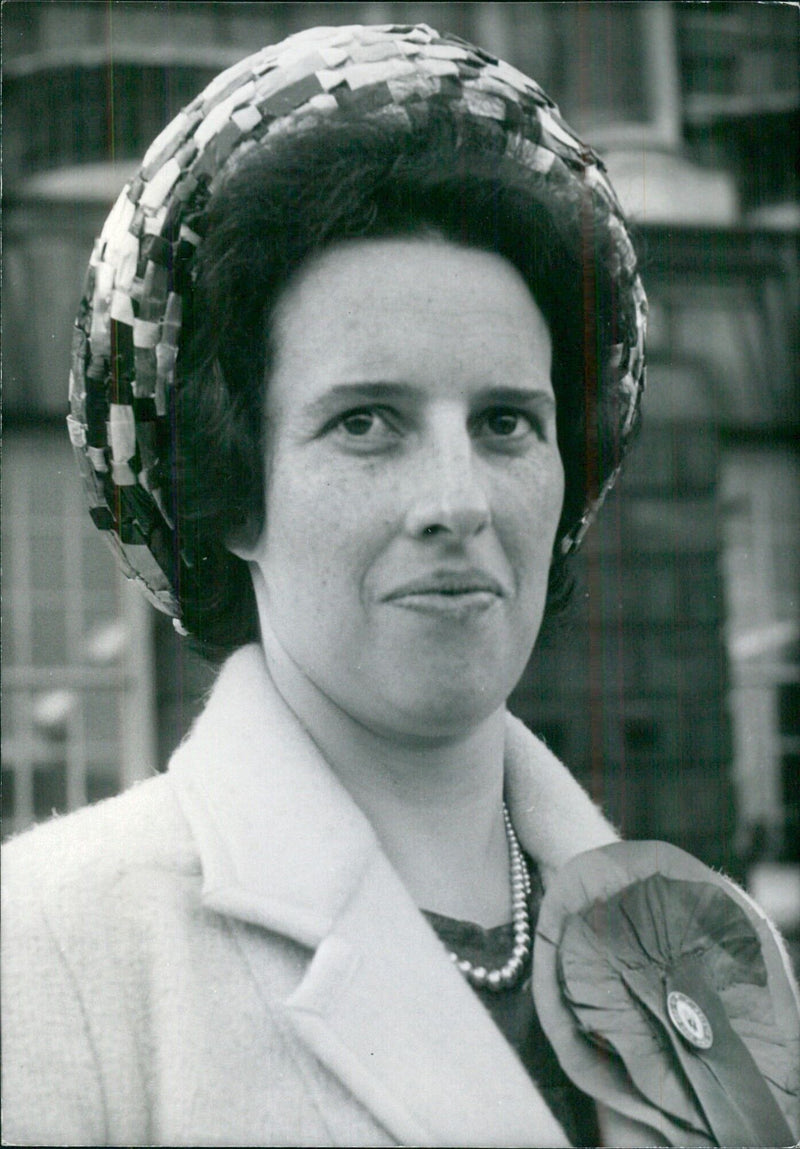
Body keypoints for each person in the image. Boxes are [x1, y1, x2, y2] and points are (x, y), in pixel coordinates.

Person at [2, 24, 798, 1148]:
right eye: (365, 422)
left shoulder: (721, 956)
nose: (458, 499)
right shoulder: (51, 950)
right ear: (237, 495)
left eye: (504, 422)